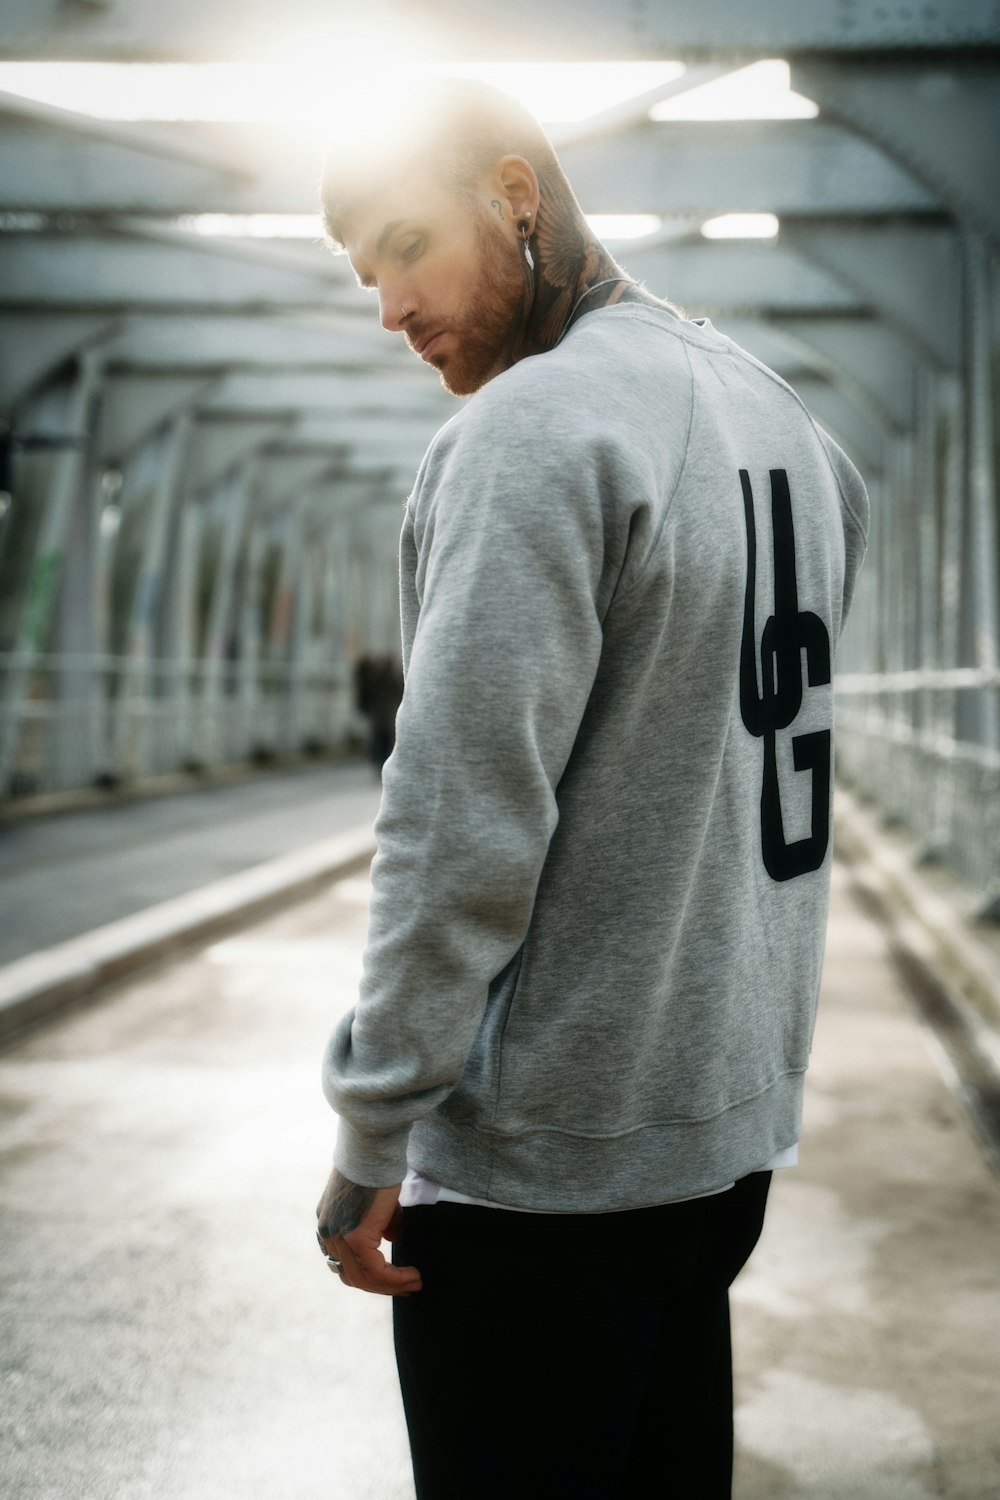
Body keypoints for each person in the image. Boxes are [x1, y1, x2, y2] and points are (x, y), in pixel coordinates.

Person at [315, 80, 869, 1498]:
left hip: (544, 1175)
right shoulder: (788, 424)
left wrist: (374, 1128)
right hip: (721, 1143)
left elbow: (456, 828)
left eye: (405, 245)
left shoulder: (532, 433)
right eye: (364, 273)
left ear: (514, 193)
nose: (389, 305)